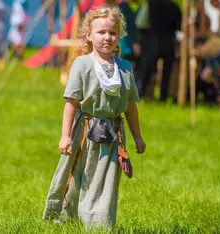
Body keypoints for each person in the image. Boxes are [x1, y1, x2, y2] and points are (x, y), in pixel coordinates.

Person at [43, 6, 146, 229]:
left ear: (119, 36)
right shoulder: (82, 64)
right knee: (79, 175)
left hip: (112, 135)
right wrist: (65, 136)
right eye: (101, 32)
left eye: (113, 32)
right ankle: (69, 217)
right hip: (84, 132)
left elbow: (130, 106)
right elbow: (70, 103)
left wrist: (137, 136)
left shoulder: (125, 68)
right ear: (89, 35)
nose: (107, 37)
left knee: (106, 179)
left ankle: (99, 224)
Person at [137, 0, 181, 102]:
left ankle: (139, 95)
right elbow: (179, 27)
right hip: (169, 42)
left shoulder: (149, 3)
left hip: (152, 41)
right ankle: (163, 97)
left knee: (146, 71)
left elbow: (140, 23)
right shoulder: (175, 6)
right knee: (167, 72)